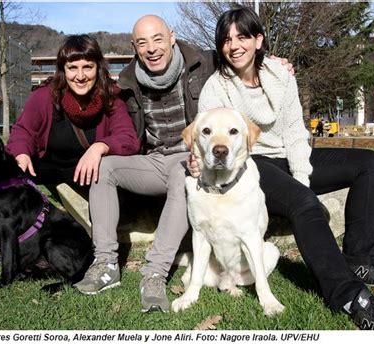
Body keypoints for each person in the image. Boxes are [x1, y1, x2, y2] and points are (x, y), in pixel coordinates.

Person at [194, 7, 374, 330]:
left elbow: (294, 131)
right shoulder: (216, 88)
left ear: (258, 39)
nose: (234, 46)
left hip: (290, 158)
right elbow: (207, 141)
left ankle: (361, 262)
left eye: (243, 36)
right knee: (305, 204)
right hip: (254, 165)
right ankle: (346, 294)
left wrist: (301, 176)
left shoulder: (280, 74)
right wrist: (301, 192)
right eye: (226, 39)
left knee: (370, 164)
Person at [74, 14, 293, 313]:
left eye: (158, 39)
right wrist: (100, 146)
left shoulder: (205, 62)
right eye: (142, 42)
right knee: (105, 167)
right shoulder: (124, 83)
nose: (151, 48)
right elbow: (115, 123)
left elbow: (243, 54)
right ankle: (105, 263)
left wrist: (271, 62)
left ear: (172, 37)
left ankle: (154, 273)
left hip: (192, 157)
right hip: (152, 160)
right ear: (134, 47)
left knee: (184, 176)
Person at [6, 35, 140, 195]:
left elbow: (128, 138)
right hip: (49, 172)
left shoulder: (111, 98)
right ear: (64, 70)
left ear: (98, 68)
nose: (80, 76)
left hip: (91, 176)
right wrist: (21, 153)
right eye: (73, 68)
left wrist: (100, 147)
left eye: (88, 67)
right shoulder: (44, 95)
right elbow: (23, 131)